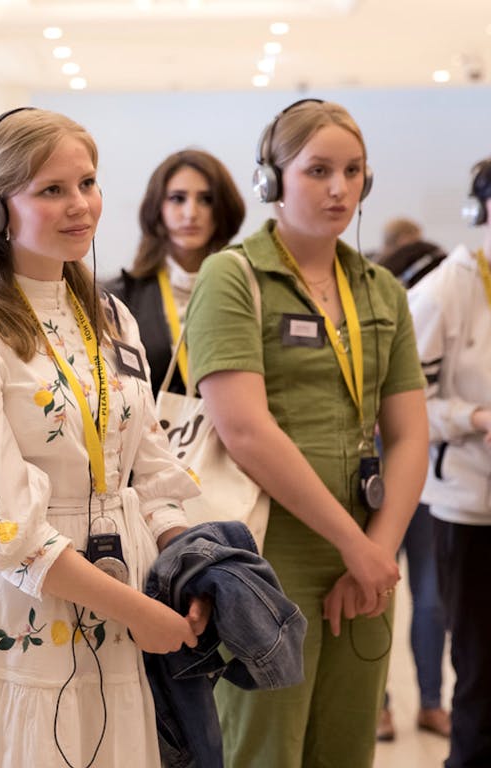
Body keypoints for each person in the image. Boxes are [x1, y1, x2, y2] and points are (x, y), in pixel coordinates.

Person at [0, 107, 209, 768]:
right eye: (51, 190)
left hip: (125, 606)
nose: (81, 206)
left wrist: (188, 561)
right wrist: (135, 610)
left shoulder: (110, 315)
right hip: (22, 616)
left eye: (88, 183)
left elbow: (150, 467)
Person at [184, 99, 428, 767]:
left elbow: (409, 434)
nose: (340, 188)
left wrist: (376, 552)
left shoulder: (382, 291)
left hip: (366, 558)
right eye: (318, 170)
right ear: (272, 180)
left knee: (346, 749)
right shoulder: (231, 277)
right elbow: (245, 429)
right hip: (268, 552)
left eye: (353, 171)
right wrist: (356, 545)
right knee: (264, 751)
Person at [407, 156, 491, 768]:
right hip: (470, 509)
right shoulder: (447, 289)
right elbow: (405, 407)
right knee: (484, 675)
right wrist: (476, 420)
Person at [374, 230, 451, 742]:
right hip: (377, 475)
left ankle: (429, 701)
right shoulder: (377, 325)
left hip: (428, 478)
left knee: (431, 596)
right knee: (376, 588)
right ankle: (376, 704)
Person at [108, 149, 245, 394]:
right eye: (177, 198)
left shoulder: (248, 288)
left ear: (223, 208)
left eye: (206, 199)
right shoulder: (120, 297)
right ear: (156, 208)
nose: (191, 213)